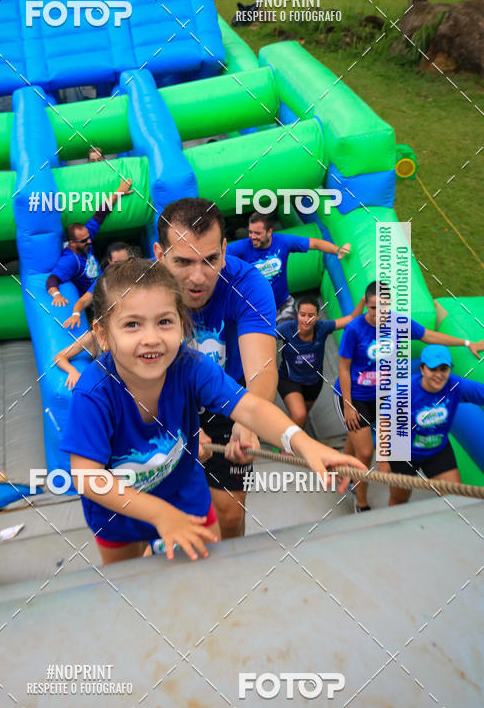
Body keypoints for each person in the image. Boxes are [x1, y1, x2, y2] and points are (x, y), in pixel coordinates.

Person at [62, 259, 365, 564]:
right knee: (129, 585)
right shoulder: (94, 394)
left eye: (165, 321)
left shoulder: (189, 366)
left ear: (182, 323)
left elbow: (249, 406)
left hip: (184, 497)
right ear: (102, 334)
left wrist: (303, 443)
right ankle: (147, 544)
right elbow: (88, 478)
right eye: (132, 324)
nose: (151, 338)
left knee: (207, 576)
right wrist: (160, 515)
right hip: (119, 515)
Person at [153, 198, 278, 539]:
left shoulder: (248, 284)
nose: (198, 277)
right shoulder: (142, 291)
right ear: (159, 254)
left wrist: (248, 418)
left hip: (229, 399)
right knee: (168, 514)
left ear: (225, 248)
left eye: (210, 260)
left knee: (230, 515)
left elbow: (262, 367)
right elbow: (132, 375)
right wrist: (180, 421)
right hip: (166, 399)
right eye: (183, 261)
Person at [335, 281, 484, 512]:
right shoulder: (354, 329)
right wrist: (347, 405)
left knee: (355, 439)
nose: (379, 314)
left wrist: (467, 342)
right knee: (365, 451)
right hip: (355, 395)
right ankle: (360, 501)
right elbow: (344, 368)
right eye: (373, 308)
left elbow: (429, 337)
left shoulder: (399, 323)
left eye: (384, 307)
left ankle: (344, 468)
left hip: (383, 394)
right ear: (366, 305)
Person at [380, 345, 484, 506]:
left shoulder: (456, 386)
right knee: (399, 499)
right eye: (433, 369)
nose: (439, 375)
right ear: (422, 369)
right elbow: (385, 420)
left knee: (457, 499)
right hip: (403, 452)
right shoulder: (404, 390)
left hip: (437, 450)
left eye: (444, 369)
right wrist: (383, 459)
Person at [227, 212, 351, 322]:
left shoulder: (282, 241)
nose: (253, 236)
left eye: (257, 233)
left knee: (291, 337)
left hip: (283, 304)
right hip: (256, 307)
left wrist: (337, 250)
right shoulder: (242, 247)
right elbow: (218, 254)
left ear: (269, 231)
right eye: (250, 232)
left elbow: (315, 243)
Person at [277, 294, 365, 429]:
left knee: (301, 416)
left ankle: (291, 436)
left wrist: (364, 299)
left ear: (317, 316)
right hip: (289, 379)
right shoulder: (287, 329)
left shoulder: (322, 327)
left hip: (313, 382)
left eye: (311, 315)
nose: (306, 320)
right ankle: (285, 447)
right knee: (299, 415)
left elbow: (352, 318)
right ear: (297, 315)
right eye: (303, 315)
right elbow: (265, 336)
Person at [46, 178, 134, 309]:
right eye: (83, 241)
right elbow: (52, 279)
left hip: (104, 283)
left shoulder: (86, 237)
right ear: (72, 243)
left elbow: (100, 214)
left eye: (88, 238)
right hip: (94, 301)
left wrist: (118, 193)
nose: (89, 241)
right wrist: (57, 295)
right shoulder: (70, 260)